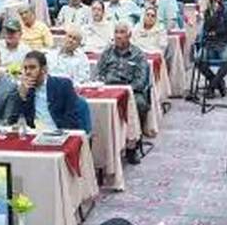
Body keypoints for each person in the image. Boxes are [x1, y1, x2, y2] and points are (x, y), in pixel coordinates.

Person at [96, 23, 152, 162]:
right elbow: (98, 74)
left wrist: (126, 90)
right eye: (116, 32)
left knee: (139, 103)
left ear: (129, 35)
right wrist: (104, 84)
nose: (118, 36)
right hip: (109, 89)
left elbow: (141, 81)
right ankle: (104, 146)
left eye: (122, 32)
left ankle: (132, 147)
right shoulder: (107, 52)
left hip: (131, 91)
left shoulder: (138, 55)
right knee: (96, 105)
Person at [16, 51, 84, 130]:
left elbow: (72, 121)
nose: (28, 72)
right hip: (35, 133)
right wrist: (22, 97)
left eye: (32, 67)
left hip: (60, 132)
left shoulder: (62, 85)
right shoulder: (24, 89)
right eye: (25, 68)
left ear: (44, 69)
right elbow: (15, 122)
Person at [197, 0, 227, 95]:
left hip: (225, 43)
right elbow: (207, 28)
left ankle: (212, 86)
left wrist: (215, 32)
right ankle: (218, 82)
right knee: (198, 59)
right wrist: (214, 15)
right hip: (210, 43)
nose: (216, 0)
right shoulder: (209, 12)